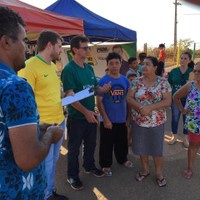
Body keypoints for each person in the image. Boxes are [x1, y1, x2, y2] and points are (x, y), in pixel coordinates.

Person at [0, 6, 63, 199]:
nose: (26, 48)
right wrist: (49, 135)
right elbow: (28, 159)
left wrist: (35, 128)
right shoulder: (15, 86)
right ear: (7, 42)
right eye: (24, 40)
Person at [18, 30, 68, 200]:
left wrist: (65, 98)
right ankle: (44, 195)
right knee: (44, 164)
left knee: (53, 161)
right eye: (59, 46)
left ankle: (50, 192)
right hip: (43, 126)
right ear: (49, 45)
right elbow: (25, 100)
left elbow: (53, 93)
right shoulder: (29, 66)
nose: (61, 50)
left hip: (59, 121)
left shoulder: (53, 66)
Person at [61, 35, 111, 191]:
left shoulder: (88, 67)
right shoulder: (69, 70)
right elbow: (69, 97)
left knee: (91, 144)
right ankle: (72, 176)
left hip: (90, 115)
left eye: (88, 47)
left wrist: (102, 90)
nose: (88, 50)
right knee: (74, 148)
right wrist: (86, 112)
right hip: (77, 117)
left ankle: (89, 166)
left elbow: (93, 88)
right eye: (85, 48)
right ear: (75, 49)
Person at [127, 56, 171, 187]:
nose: (144, 66)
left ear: (155, 67)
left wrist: (150, 108)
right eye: (143, 64)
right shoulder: (136, 81)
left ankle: (159, 173)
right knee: (142, 148)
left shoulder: (163, 82)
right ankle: (145, 170)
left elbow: (167, 101)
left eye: (148, 64)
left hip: (156, 122)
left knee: (157, 150)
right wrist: (140, 107)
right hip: (139, 122)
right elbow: (129, 98)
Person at [97, 52, 133, 176]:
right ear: (107, 65)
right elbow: (99, 102)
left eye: (116, 63)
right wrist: (106, 119)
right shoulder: (103, 81)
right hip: (108, 120)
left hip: (122, 119)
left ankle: (122, 159)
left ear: (121, 64)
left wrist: (128, 117)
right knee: (106, 143)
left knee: (122, 142)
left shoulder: (125, 81)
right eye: (111, 63)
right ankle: (106, 165)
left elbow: (128, 100)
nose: (114, 66)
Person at [173, 62, 200, 179]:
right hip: (195, 123)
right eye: (195, 71)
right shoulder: (191, 85)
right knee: (193, 146)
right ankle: (189, 168)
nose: (197, 73)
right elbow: (175, 97)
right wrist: (182, 110)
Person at [168, 52, 193, 147]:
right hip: (176, 99)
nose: (182, 60)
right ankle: (174, 136)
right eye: (181, 58)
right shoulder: (174, 71)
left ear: (189, 60)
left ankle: (185, 137)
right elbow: (169, 84)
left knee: (186, 119)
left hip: (187, 100)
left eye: (185, 58)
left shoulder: (192, 72)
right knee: (175, 118)